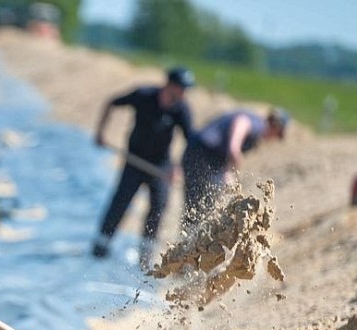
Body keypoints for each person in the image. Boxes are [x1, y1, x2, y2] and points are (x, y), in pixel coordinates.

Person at [91, 67, 195, 269]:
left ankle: (144, 257)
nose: (183, 93)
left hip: (159, 167)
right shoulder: (143, 95)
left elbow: (190, 142)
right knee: (120, 202)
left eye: (185, 89)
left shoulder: (181, 109)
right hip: (134, 161)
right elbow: (111, 103)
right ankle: (101, 245)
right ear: (170, 85)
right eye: (181, 88)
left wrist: (177, 168)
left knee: (158, 207)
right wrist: (100, 133)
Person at [182, 107, 289, 226]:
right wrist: (234, 149)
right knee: (198, 204)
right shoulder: (259, 125)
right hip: (203, 153)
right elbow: (241, 122)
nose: (274, 139)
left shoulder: (256, 126)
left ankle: (195, 234)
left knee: (203, 204)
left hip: (205, 154)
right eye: (278, 134)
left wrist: (227, 170)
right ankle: (191, 236)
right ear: (275, 127)